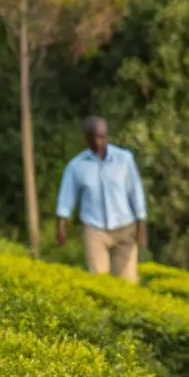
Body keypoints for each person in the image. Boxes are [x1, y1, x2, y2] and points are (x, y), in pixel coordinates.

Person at [55, 116, 148, 282]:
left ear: (107, 136)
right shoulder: (77, 165)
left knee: (127, 281)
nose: (98, 142)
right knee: (98, 279)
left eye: (102, 137)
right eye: (93, 137)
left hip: (125, 226)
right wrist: (61, 225)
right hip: (95, 228)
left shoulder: (124, 159)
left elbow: (135, 191)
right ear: (86, 138)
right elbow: (66, 197)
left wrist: (141, 225)